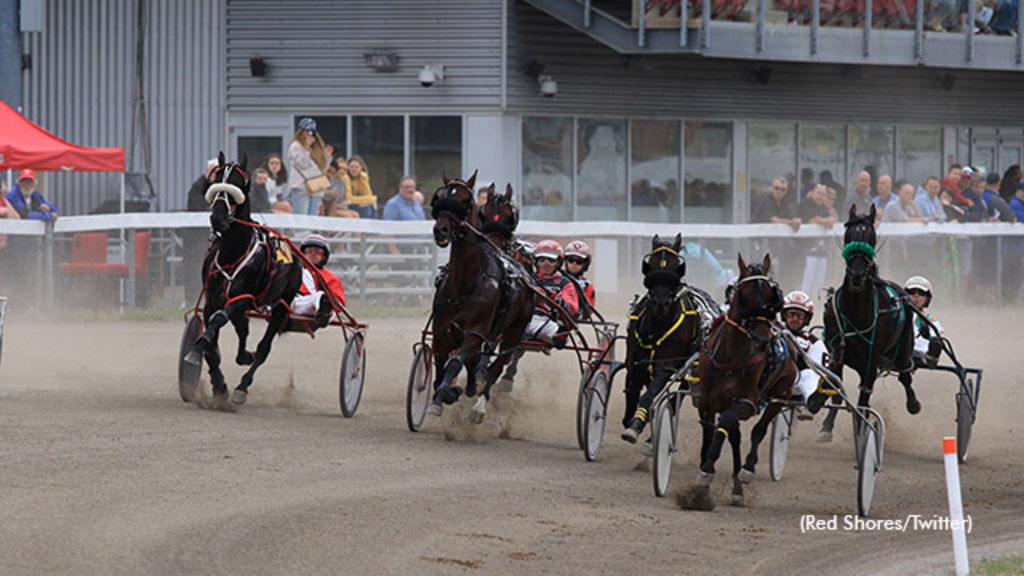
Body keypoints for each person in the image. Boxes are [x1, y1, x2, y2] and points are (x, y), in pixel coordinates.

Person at [525, 240, 579, 346]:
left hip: (548, 319)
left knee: (554, 332)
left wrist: (557, 300)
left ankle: (558, 335)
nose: (546, 264)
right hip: (525, 316)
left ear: (558, 262)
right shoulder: (528, 279)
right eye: (542, 260)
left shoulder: (564, 283)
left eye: (551, 260)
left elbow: (571, 307)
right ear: (535, 262)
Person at [780, 291, 827, 402]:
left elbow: (822, 369)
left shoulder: (813, 342)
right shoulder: (772, 333)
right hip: (770, 381)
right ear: (784, 315)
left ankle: (811, 401)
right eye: (791, 314)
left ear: (806, 319)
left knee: (808, 374)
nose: (795, 319)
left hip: (796, 383)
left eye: (800, 316)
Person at [291, 234, 346, 329]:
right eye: (309, 250)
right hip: (291, 302)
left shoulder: (331, 278)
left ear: (324, 256)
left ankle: (323, 309)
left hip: (313, 308)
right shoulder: (293, 271)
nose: (313, 253)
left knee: (319, 297)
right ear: (302, 253)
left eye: (318, 251)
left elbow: (338, 303)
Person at [287, 117, 333, 216]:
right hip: (301, 186)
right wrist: (306, 148)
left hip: (315, 187)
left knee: (313, 219)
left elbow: (321, 170)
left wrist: (327, 157)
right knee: (301, 218)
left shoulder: (315, 148)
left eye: (311, 132)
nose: (308, 134)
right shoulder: (295, 146)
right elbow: (302, 164)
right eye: (306, 131)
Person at [797, 184, 835, 297]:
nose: (821, 196)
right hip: (807, 250)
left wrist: (828, 221)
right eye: (818, 193)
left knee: (819, 282)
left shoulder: (823, 208)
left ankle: (816, 304)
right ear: (812, 193)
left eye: (823, 194)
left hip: (821, 251)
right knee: (807, 281)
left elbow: (830, 221)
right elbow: (812, 220)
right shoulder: (805, 204)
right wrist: (826, 221)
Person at [904, 276, 943, 368]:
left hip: (918, 353)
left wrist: (928, 335)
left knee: (935, 340)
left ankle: (931, 357)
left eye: (921, 293)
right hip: (898, 349)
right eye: (912, 292)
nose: (916, 296)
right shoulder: (896, 314)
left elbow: (938, 337)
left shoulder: (930, 320)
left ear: (927, 298)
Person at [562, 240, 595, 320]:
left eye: (579, 261)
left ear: (585, 264)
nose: (574, 264)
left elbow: (587, 313)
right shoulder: (555, 279)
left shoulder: (586, 286)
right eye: (571, 260)